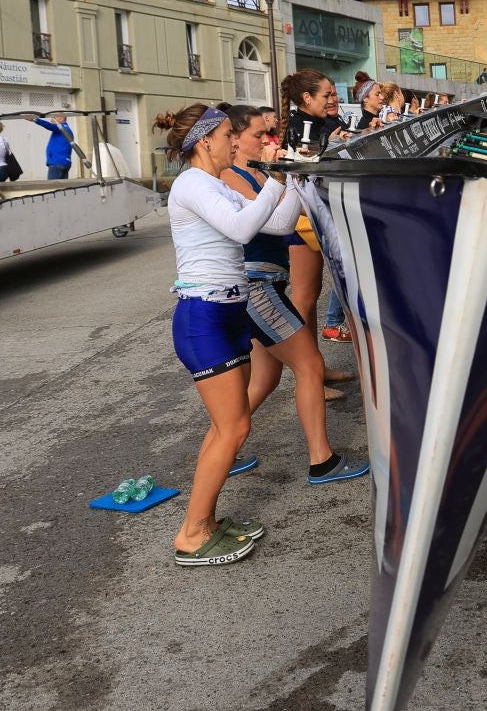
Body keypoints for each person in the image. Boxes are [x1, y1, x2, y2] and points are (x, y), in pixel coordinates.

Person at [155, 103, 300, 567]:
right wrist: (276, 179)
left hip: (227, 312)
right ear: (205, 141)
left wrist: (294, 177)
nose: (234, 142)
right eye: (225, 135)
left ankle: (207, 521)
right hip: (204, 319)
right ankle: (191, 534)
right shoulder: (192, 184)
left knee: (226, 427)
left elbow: (274, 225)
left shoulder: (214, 184)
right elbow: (241, 230)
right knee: (235, 427)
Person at [220, 105, 367, 485]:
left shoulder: (251, 173)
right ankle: (322, 460)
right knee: (310, 366)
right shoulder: (230, 177)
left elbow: (289, 211)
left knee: (265, 381)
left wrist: (289, 176)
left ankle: (223, 452)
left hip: (265, 284)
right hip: (257, 287)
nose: (267, 142)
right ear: (234, 140)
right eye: (258, 136)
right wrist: (289, 178)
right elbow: (282, 223)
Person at [279, 70, 356, 396]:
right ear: (307, 98)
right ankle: (308, 375)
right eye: (326, 94)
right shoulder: (305, 126)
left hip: (307, 217)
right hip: (302, 220)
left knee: (307, 299)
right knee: (304, 300)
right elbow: (305, 167)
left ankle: (316, 369)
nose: (331, 99)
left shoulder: (308, 122)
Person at [32, 111, 74, 179]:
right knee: (62, 188)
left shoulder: (61, 127)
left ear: (61, 118)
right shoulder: (65, 129)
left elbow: (49, 126)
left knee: (53, 187)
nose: (52, 119)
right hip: (64, 162)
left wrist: (35, 119)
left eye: (54, 117)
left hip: (57, 163)